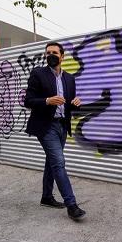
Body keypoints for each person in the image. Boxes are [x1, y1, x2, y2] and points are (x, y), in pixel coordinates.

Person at [24, 42, 86, 221]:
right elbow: (28, 100)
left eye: (54, 52)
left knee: (51, 161)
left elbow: (70, 108)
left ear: (62, 56)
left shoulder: (69, 79)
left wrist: (76, 104)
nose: (50, 55)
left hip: (62, 126)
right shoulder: (38, 74)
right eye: (47, 53)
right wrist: (46, 101)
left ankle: (46, 197)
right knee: (58, 162)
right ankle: (71, 205)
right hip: (45, 126)